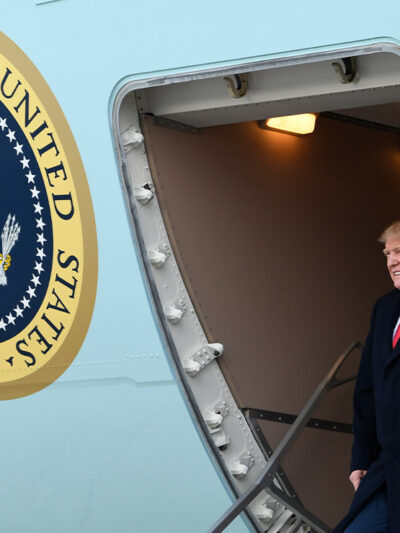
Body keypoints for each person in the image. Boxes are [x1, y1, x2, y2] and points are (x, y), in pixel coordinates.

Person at [332, 221, 400, 533]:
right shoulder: (384, 308)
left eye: (399, 252)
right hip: (388, 468)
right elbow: (367, 389)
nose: (391, 261)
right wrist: (361, 457)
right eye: (387, 254)